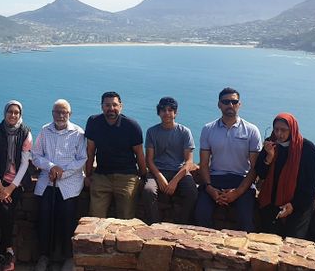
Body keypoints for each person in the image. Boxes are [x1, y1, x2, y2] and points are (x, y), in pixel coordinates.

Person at [195, 87, 262, 232]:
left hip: (241, 180)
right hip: (215, 179)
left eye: (234, 101)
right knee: (200, 216)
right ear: (219, 104)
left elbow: (254, 167)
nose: (230, 105)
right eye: (226, 102)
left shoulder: (251, 130)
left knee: (246, 221)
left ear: (239, 104)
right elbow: (204, 164)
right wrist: (209, 188)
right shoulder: (208, 129)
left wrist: (237, 192)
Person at [32, 99, 87, 271]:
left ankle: (68, 258)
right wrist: (51, 167)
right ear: (52, 113)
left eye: (64, 112)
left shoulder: (78, 133)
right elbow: (35, 155)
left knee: (67, 221)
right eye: (57, 112)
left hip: (69, 184)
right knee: (44, 219)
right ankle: (44, 256)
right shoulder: (44, 130)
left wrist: (62, 171)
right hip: (47, 181)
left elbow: (82, 159)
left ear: (70, 114)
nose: (61, 115)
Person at [256, 113, 315, 239]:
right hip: (272, 202)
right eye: (276, 129)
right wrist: (269, 157)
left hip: (298, 203)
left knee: (293, 240)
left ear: (292, 129)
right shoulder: (271, 144)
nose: (279, 134)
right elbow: (261, 173)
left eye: (284, 130)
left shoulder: (307, 149)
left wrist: (293, 205)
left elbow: (311, 184)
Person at [84, 91, 146, 219]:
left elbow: (139, 153)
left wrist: (143, 176)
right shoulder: (94, 122)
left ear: (120, 106)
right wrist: (88, 175)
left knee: (125, 218)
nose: (111, 108)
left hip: (127, 176)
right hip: (101, 175)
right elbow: (90, 151)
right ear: (102, 107)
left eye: (114, 105)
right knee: (95, 218)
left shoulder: (131, 126)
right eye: (107, 105)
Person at [0, 100, 33, 271]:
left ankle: (3, 253)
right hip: (1, 181)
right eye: (10, 112)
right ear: (5, 113)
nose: (13, 115)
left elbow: (24, 164)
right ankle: (8, 252)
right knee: (5, 214)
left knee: (8, 215)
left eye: (16, 112)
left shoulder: (26, 133)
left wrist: (10, 188)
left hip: (17, 183)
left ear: (20, 114)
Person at [142, 96, 198, 225]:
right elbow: (149, 160)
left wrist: (175, 181)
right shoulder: (152, 132)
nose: (167, 113)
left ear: (175, 113)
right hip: (157, 171)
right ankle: (154, 224)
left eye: (170, 110)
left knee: (192, 192)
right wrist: (160, 177)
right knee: (148, 191)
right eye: (163, 110)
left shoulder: (184, 132)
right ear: (159, 112)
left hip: (179, 171)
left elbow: (189, 162)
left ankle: (182, 225)